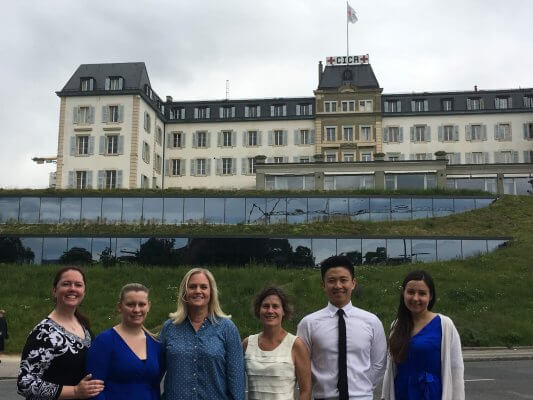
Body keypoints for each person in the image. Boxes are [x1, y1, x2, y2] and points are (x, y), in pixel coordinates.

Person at [297, 255, 387, 400]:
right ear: (323, 285)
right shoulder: (308, 324)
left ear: (353, 283)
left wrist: (361, 388)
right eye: (331, 281)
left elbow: (378, 363)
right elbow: (303, 367)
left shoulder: (372, 322)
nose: (338, 286)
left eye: (343, 280)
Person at [17, 266, 104, 399]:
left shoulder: (84, 326)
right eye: (66, 284)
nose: (72, 288)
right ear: (54, 291)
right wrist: (75, 391)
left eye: (78, 285)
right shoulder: (44, 333)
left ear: (84, 292)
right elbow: (25, 383)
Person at [160, 268, 245, 400]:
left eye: (203, 287)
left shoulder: (227, 328)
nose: (198, 291)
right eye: (192, 286)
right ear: (184, 291)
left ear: (211, 292)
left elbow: (237, 378)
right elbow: (155, 371)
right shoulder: (170, 328)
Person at [381, 270, 464, 400]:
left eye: (422, 293)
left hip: (431, 394)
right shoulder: (396, 325)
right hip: (402, 393)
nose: (415, 298)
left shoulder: (445, 325)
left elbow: (456, 369)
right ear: (403, 293)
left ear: (430, 296)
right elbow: (390, 369)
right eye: (411, 292)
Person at [86, 283, 165, 400]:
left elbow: (154, 386)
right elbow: (94, 391)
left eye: (142, 304)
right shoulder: (104, 341)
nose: (137, 309)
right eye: (130, 304)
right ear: (119, 306)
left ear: (148, 306)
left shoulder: (155, 344)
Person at [243, 286, 312, 400]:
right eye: (265, 306)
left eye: (275, 306)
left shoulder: (296, 345)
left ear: (283, 311)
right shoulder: (247, 344)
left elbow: (306, 391)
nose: (270, 311)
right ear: (258, 310)